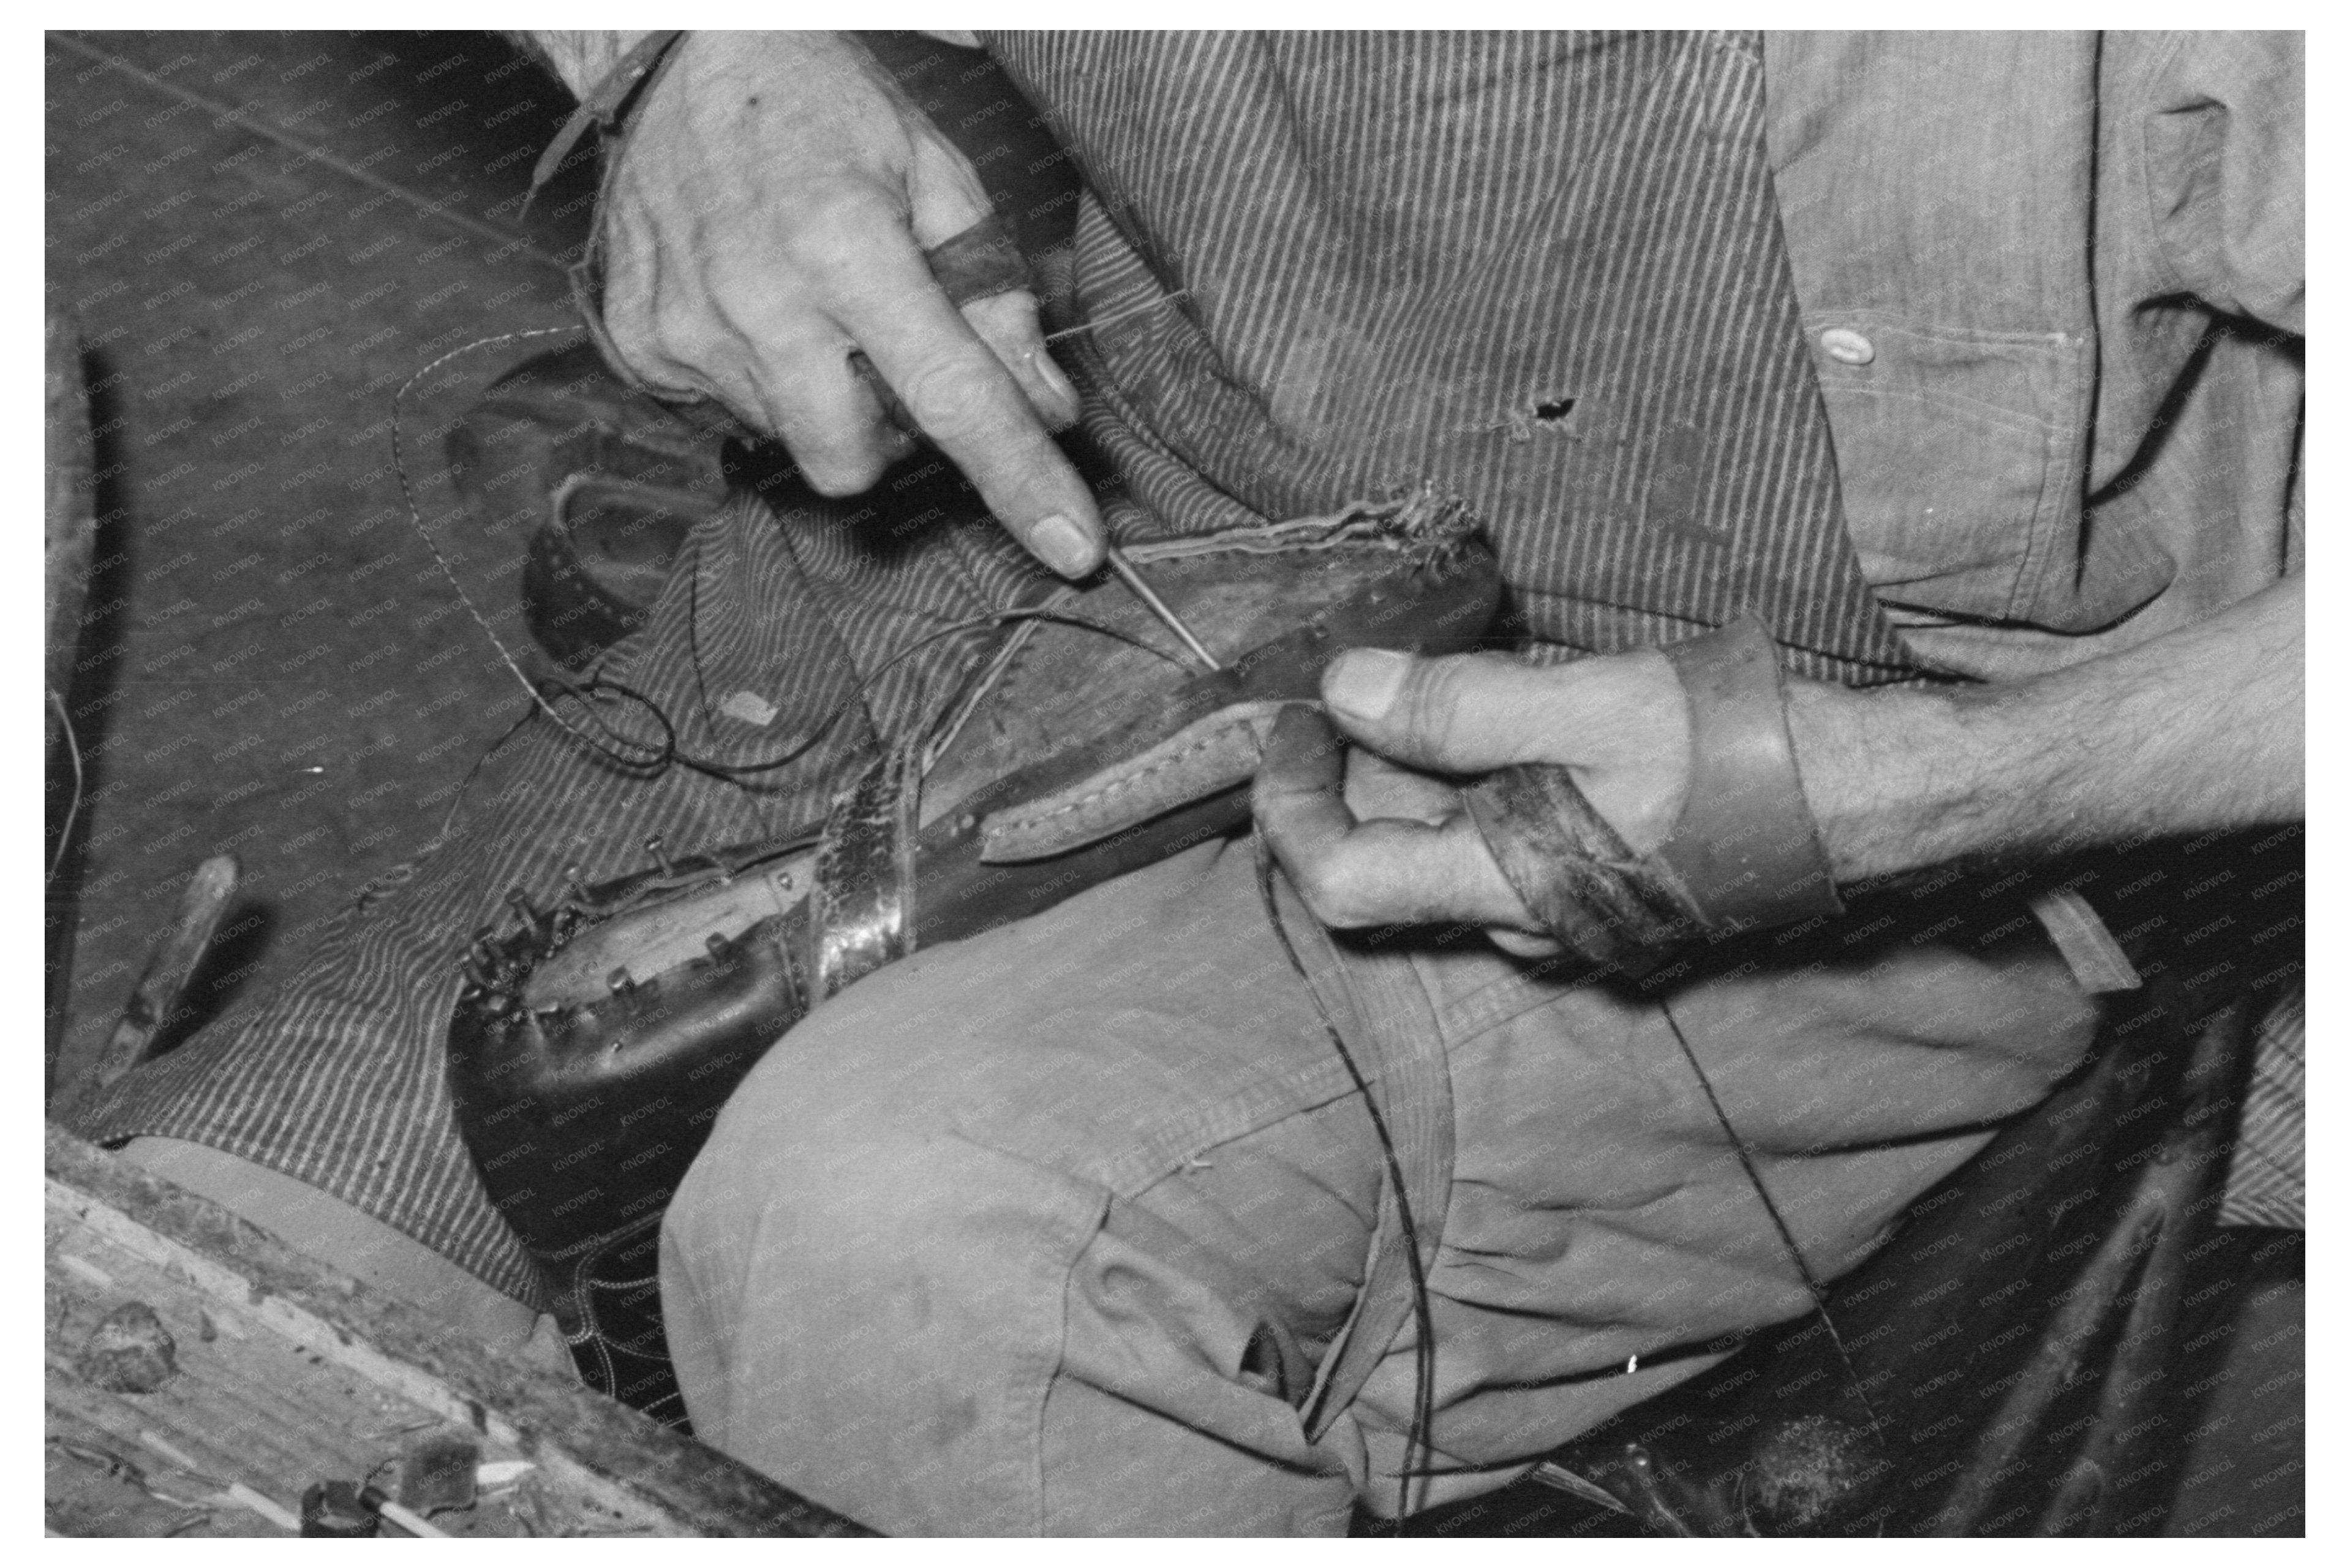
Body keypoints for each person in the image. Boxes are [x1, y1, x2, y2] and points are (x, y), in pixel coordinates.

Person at [78, 31, 2301, 1535]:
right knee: (190, 1294)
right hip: (1154, 474)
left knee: (893, 1238)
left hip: (1872, 751)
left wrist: (1913, 792)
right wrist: (689, 56)